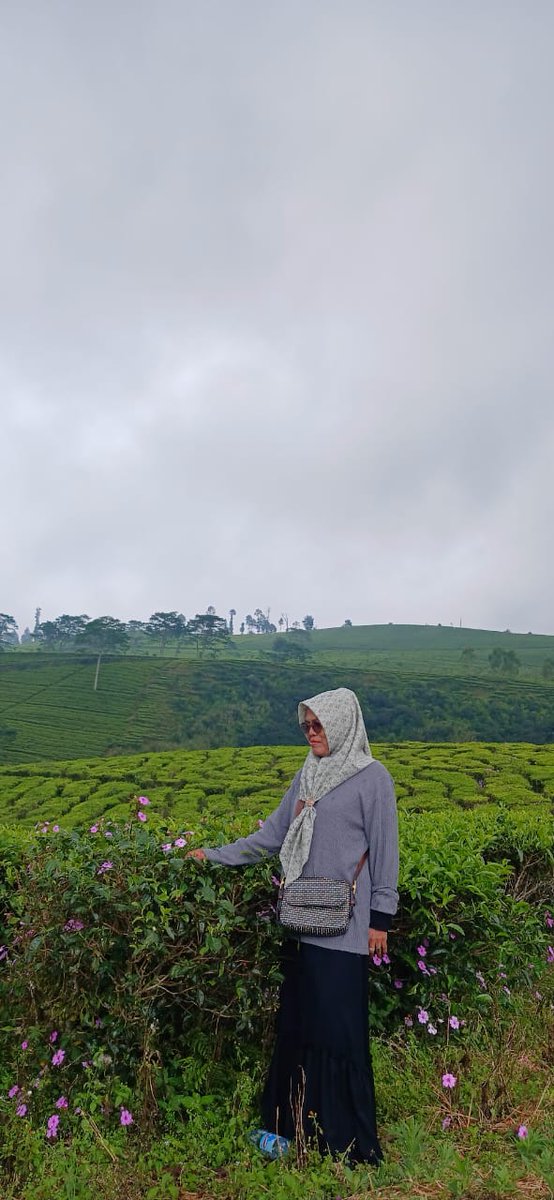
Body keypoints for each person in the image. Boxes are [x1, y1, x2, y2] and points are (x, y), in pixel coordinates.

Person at [187, 687, 399, 1164]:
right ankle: (290, 1129)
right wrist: (212, 856)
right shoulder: (307, 775)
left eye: (319, 724)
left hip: (346, 929)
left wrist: (380, 919)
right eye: (306, 725)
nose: (311, 733)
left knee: (339, 1032)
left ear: (342, 723)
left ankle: (346, 1142)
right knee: (299, 1028)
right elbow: (271, 836)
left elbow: (386, 851)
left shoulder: (373, 778)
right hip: (302, 926)